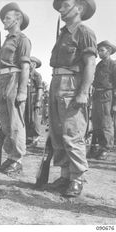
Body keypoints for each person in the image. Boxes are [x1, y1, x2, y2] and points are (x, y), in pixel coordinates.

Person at [49, 0, 97, 197]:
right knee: (58, 133)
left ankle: (77, 179)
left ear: (79, 8)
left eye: (65, 4)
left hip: (72, 84)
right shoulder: (63, 34)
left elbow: (90, 63)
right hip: (56, 82)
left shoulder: (84, 32)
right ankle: (65, 175)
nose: (61, 8)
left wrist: (84, 92)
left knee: (72, 132)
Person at [0, 2, 31, 175]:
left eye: (7, 17)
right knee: (5, 121)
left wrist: (22, 90)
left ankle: (17, 160)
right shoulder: (7, 39)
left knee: (16, 121)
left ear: (18, 19)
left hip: (14, 79)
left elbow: (25, 67)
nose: (4, 20)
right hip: (2, 79)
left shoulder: (22, 39)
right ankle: (11, 156)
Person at [88, 41, 116, 160]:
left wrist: (115, 103)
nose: (99, 53)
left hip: (107, 94)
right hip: (97, 95)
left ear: (109, 51)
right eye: (99, 50)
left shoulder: (113, 65)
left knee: (106, 122)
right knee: (97, 122)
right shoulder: (99, 65)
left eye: (102, 50)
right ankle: (98, 146)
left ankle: (106, 148)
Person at [25, 56, 43, 146]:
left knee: (34, 119)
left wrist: (38, 101)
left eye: (30, 63)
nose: (29, 64)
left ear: (34, 64)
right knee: (27, 118)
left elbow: (40, 89)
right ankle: (28, 138)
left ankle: (36, 138)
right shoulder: (25, 74)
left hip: (33, 97)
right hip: (26, 98)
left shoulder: (37, 75)